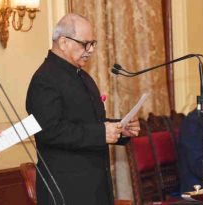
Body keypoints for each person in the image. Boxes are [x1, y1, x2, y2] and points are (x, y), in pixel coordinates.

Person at [26, 13, 140, 205]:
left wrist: (120, 128)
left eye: (93, 43)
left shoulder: (83, 77)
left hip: (94, 187)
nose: (91, 50)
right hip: (67, 190)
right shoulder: (44, 79)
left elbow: (90, 123)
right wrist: (101, 133)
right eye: (85, 44)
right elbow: (50, 131)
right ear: (63, 42)